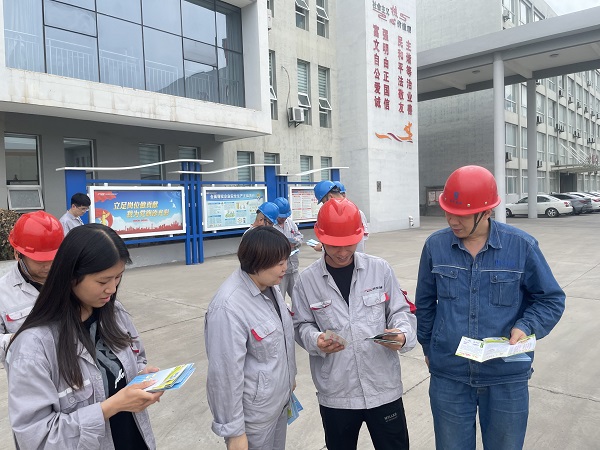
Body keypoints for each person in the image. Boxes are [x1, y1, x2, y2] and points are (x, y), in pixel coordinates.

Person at [415, 165, 566, 450]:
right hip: (450, 374)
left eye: (460, 215)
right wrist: (427, 347)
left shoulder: (521, 246)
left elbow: (551, 298)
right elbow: (424, 303)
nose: (451, 220)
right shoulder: (435, 246)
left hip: (505, 376)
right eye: (447, 212)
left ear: (486, 212)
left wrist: (526, 325)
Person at [5, 224, 162, 449]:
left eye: (118, 277)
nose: (112, 289)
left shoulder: (115, 314)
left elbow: (136, 358)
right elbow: (36, 438)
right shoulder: (34, 346)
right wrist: (110, 407)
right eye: (102, 281)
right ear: (71, 276)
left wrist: (141, 376)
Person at [292, 198, 416, 450]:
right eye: (334, 245)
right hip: (338, 393)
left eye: (349, 244)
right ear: (320, 238)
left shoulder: (379, 269)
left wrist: (402, 334)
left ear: (359, 236)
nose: (342, 252)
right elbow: (301, 324)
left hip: (382, 387)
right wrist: (316, 340)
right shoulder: (306, 281)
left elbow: (400, 311)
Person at [205, 226, 297, 450]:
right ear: (258, 262)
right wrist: (234, 432)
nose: (285, 268)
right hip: (254, 420)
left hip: (278, 404)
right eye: (279, 263)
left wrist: (289, 377)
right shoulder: (228, 307)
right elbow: (225, 375)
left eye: (286, 260)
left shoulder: (270, 286)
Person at [0, 211, 63, 364]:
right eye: (40, 261)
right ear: (17, 254)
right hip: (28, 373)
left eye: (53, 259)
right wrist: (19, 339)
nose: (48, 267)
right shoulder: (3, 292)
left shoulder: (72, 280)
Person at [272, 197, 303, 302]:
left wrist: (296, 241)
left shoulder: (290, 223)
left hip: (293, 267)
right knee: (279, 299)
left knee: (299, 297)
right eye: (281, 217)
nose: (283, 219)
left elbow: (299, 236)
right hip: (279, 271)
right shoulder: (271, 227)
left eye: (285, 216)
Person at [334, 181, 369, 252]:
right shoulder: (334, 216)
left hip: (354, 254)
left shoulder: (357, 213)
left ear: (344, 195)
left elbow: (362, 239)